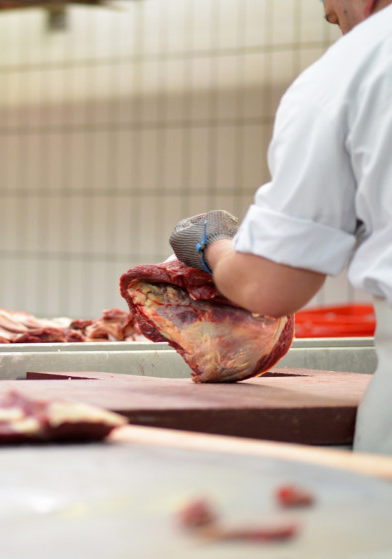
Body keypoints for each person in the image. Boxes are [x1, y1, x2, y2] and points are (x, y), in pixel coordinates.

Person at [168, 0, 392, 454]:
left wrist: (212, 243)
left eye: (336, 18)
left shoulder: (354, 66)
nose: (342, 33)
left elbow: (268, 286)